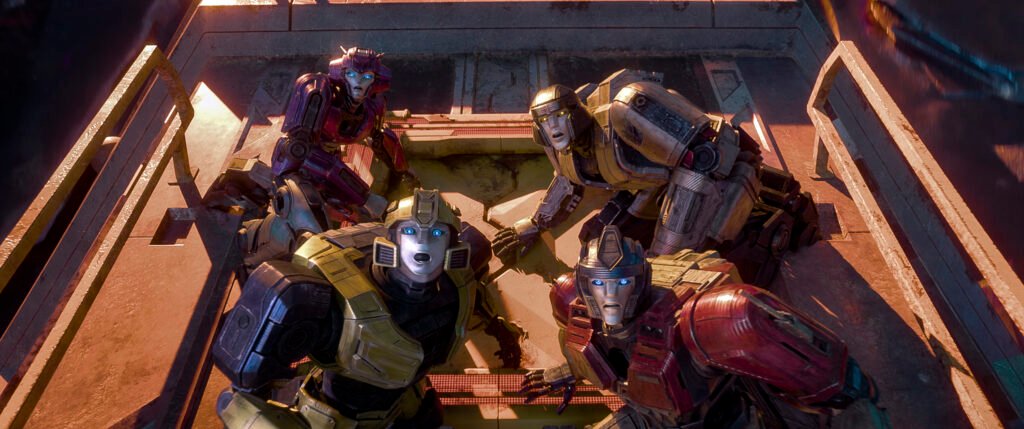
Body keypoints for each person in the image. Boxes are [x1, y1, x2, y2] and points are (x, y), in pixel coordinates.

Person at [521, 226, 889, 429]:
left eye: (622, 284)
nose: (610, 297)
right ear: (585, 286)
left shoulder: (707, 321)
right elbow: (605, 352)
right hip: (648, 418)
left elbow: (840, 387)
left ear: (641, 280)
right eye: (599, 285)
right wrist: (570, 370)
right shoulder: (573, 307)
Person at [493, 70, 819, 285]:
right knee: (598, 241)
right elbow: (568, 180)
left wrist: (665, 256)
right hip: (658, 185)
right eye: (546, 122)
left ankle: (775, 219)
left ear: (575, 113)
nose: (554, 128)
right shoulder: (560, 146)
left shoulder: (624, 112)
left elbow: (704, 160)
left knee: (679, 268)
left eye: (560, 117)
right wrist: (535, 224)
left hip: (720, 170)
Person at [213, 190, 479, 428]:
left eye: (437, 234)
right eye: (410, 232)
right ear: (391, 240)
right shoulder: (333, 296)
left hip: (407, 402)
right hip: (338, 418)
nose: (423, 245)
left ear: (452, 245)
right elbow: (237, 399)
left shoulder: (457, 283)